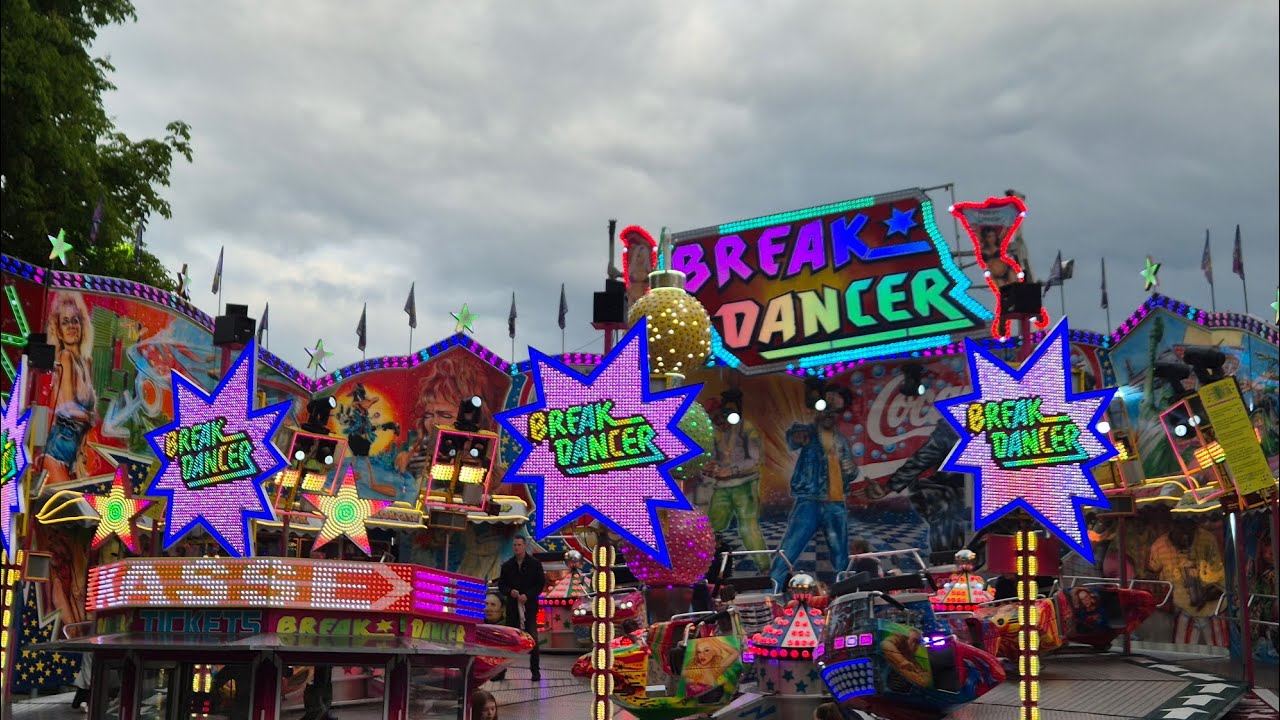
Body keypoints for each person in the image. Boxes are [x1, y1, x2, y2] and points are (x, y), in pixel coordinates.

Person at [770, 385, 858, 591]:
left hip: (835, 503)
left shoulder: (841, 440)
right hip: (809, 501)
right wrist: (797, 436)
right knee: (790, 548)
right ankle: (772, 590)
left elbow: (851, 472)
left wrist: (851, 469)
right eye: (825, 411)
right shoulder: (808, 432)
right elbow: (793, 438)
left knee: (840, 555)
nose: (828, 415)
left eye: (832, 412)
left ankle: (845, 594)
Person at [702, 389, 767, 559]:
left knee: (748, 528)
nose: (717, 422)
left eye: (718, 417)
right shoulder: (715, 431)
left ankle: (764, 568)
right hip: (722, 486)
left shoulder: (746, 427)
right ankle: (707, 566)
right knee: (711, 527)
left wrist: (731, 471)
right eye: (713, 419)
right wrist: (709, 467)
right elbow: (713, 456)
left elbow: (755, 460)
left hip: (745, 484)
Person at [43, 293, 97, 486]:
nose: (72, 326)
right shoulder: (65, 357)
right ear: (58, 331)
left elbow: (88, 414)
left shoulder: (86, 362)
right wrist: (89, 417)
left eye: (75, 320)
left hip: (75, 451)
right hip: (58, 448)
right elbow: (68, 407)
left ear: (82, 325)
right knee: (66, 502)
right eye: (65, 322)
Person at [497, 536, 546, 681]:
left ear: (524, 546)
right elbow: (502, 585)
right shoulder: (507, 566)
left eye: (519, 545)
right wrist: (509, 591)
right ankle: (501, 671)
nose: (516, 547)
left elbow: (540, 584)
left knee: (532, 638)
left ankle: (535, 671)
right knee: (507, 639)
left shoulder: (535, 564)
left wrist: (528, 595)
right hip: (513, 608)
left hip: (529, 607)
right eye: (515, 545)